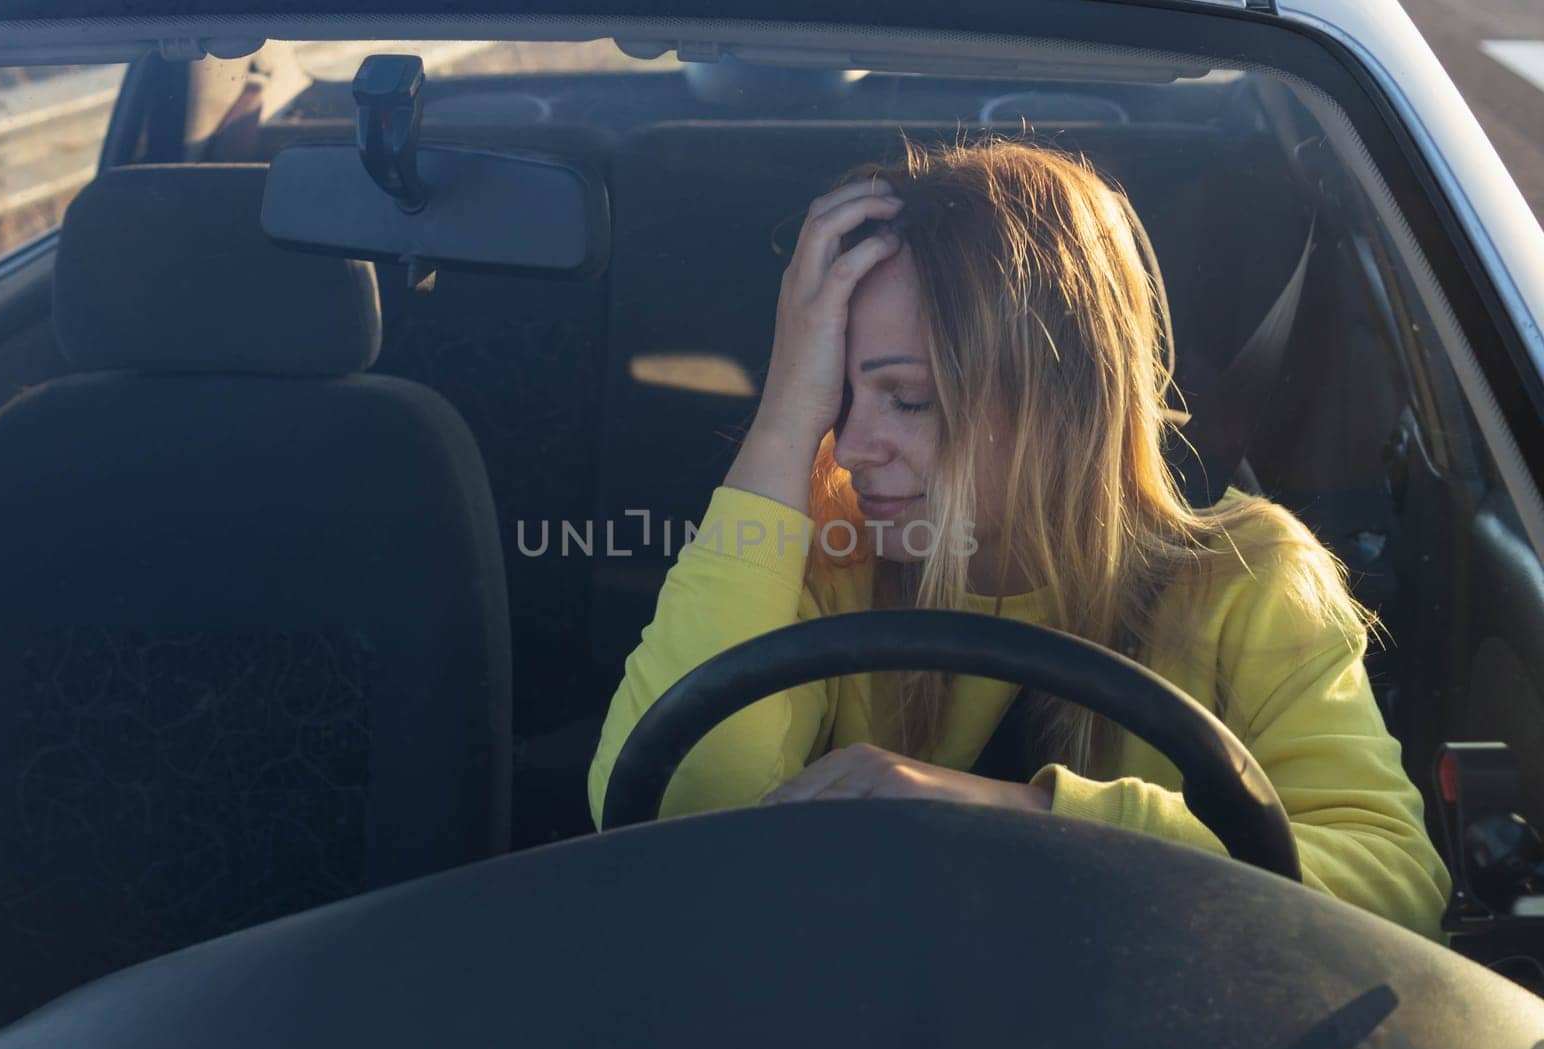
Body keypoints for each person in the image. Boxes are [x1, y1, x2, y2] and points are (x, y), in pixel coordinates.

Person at [586, 137, 1451, 940]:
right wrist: (782, 419)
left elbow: (1395, 884)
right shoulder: (827, 555)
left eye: (909, 400)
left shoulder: (1248, 580)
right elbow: (671, 804)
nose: (849, 449)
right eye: (837, 399)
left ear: (1061, 400)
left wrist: (1021, 814)